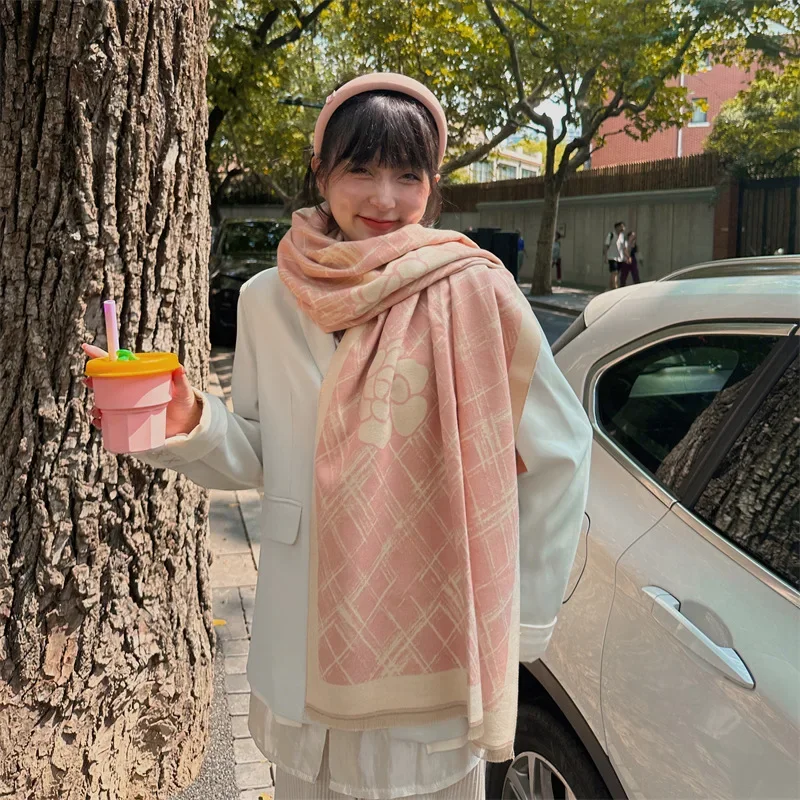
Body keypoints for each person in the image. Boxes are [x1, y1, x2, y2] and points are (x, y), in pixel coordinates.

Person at [83, 74, 592, 800]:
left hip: (428, 642)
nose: (385, 198)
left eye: (408, 175)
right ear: (320, 172)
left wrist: (522, 620)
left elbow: (562, 451)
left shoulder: (473, 291)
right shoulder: (268, 298)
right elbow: (263, 454)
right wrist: (188, 418)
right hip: (301, 640)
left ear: (432, 185)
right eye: (361, 169)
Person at [603, 220, 626, 290]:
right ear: (617, 227)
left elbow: (624, 247)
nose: (623, 228)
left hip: (620, 258)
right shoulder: (611, 235)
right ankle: (615, 287)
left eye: (623, 227)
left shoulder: (622, 236)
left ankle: (609, 288)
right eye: (621, 227)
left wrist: (628, 257)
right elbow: (606, 246)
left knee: (615, 273)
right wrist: (606, 257)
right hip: (612, 257)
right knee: (614, 272)